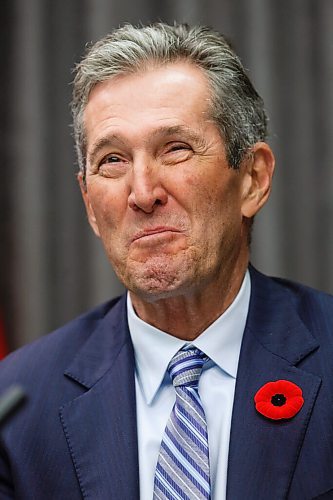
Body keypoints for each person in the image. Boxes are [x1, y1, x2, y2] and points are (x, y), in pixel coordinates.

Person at [0, 22, 332, 500]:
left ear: (253, 179)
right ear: (91, 205)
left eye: (175, 149)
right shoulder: (20, 406)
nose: (142, 192)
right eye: (112, 160)